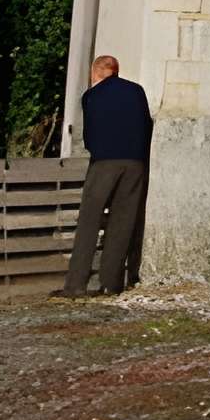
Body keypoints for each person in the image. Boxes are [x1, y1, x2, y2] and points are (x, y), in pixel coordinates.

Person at [61, 56, 154, 297]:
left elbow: (89, 136)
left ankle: (75, 285)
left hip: (104, 163)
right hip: (135, 163)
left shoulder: (92, 96)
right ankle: (111, 285)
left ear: (95, 73)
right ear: (116, 71)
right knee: (123, 222)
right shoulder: (137, 91)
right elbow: (147, 126)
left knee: (89, 221)